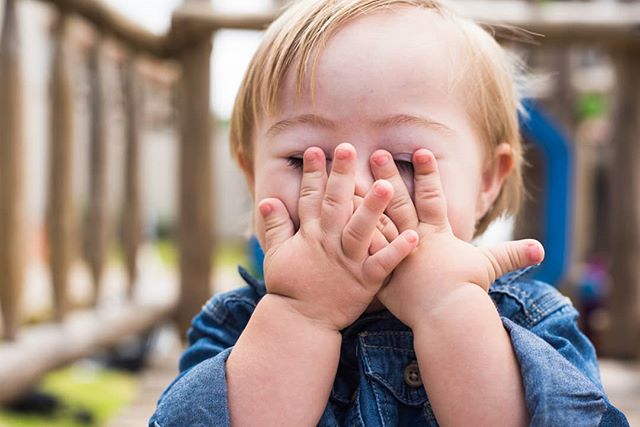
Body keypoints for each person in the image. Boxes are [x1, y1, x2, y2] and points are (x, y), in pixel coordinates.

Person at [150, 0, 628, 425]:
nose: (356, 189)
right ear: (252, 175)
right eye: (304, 161)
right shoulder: (236, 326)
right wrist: (301, 316)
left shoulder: (531, 321)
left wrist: (449, 310)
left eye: (403, 161)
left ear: (486, 180)